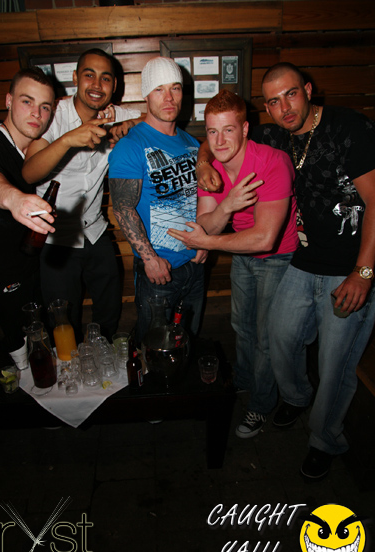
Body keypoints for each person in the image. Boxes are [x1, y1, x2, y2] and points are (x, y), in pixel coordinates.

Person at [199, 63, 375, 480]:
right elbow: (220, 135)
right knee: (279, 339)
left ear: (308, 90)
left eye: (291, 94)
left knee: (335, 362)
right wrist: (204, 160)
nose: (284, 107)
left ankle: (325, 440)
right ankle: (296, 397)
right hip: (304, 260)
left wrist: (364, 272)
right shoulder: (276, 133)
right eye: (274, 101)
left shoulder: (349, 128)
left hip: (350, 267)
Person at [168, 89, 299, 438]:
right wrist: (227, 206)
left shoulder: (272, 162)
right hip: (241, 254)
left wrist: (206, 243)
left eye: (229, 130)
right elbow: (207, 225)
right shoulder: (211, 169)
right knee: (242, 326)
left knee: (266, 339)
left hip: (277, 257)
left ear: (245, 129)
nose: (220, 140)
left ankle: (261, 404)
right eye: (213, 131)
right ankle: (244, 378)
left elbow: (264, 239)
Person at [22, 48, 143, 342]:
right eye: (89, 75)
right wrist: (67, 140)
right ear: (75, 78)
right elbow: (29, 172)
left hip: (96, 230)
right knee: (63, 321)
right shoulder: (54, 114)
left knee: (109, 309)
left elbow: (153, 118)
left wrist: (128, 125)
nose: (96, 85)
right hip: (56, 236)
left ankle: (105, 358)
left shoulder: (114, 114)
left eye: (105, 78)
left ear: (114, 85)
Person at [108, 57, 207, 347]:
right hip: (159, 271)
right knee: (155, 351)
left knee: (188, 344)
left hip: (195, 265)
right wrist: (149, 259)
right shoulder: (131, 145)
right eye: (159, 89)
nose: (169, 98)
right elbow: (122, 207)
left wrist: (206, 241)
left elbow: (201, 201)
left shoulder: (193, 144)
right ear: (146, 95)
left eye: (175, 88)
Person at [0, 67, 56, 368]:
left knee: (44, 340)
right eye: (27, 101)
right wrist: (14, 199)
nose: (37, 113)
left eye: (45, 106)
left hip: (33, 266)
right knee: (20, 347)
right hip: (2, 273)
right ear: (8, 101)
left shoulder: (33, 153)